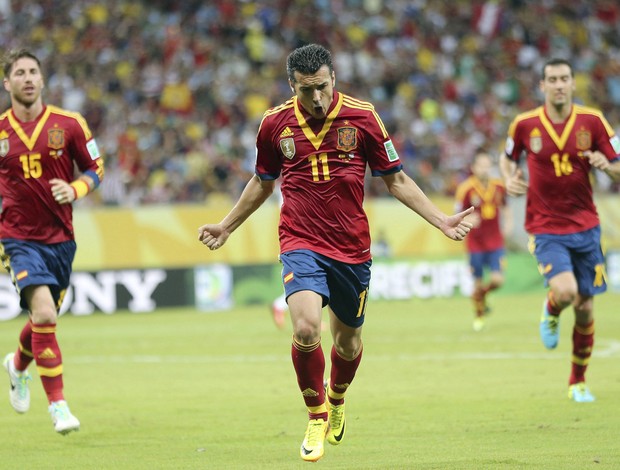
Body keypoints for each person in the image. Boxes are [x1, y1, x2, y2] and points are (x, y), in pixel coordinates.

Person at [198, 43, 473, 462]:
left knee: (347, 344)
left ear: (334, 79)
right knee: (307, 328)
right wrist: (226, 225)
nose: (317, 98)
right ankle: (315, 414)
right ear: (292, 85)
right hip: (299, 241)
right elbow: (262, 181)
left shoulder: (363, 117)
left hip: (352, 248)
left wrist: (441, 220)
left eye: (323, 87)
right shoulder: (274, 125)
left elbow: (395, 180)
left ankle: (337, 395)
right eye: (306, 90)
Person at [500, 57, 620, 403]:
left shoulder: (593, 121)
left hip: (587, 228)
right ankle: (551, 309)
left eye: (564, 78)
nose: (558, 84)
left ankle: (577, 381)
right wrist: (509, 179)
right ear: (542, 86)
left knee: (585, 308)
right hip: (545, 226)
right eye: (551, 79)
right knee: (566, 293)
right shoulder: (524, 124)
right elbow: (507, 157)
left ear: (572, 83)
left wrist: (607, 168)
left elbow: (617, 167)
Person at [0, 49, 104, 434]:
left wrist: (76, 188)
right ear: (7, 83)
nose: (27, 78)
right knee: (44, 314)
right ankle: (58, 406)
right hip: (15, 237)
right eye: (19, 73)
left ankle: (17, 365)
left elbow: (97, 167)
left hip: (61, 239)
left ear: (42, 80)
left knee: (43, 319)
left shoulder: (69, 124)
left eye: (33, 72)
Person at [455, 152, 512, 332]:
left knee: (497, 280)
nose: (485, 169)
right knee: (477, 282)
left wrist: (508, 225)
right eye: (481, 165)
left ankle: (481, 296)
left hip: (495, 241)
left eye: (488, 165)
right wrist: (468, 222)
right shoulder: (465, 189)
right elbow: (456, 215)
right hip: (475, 244)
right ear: (474, 167)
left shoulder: (499, 186)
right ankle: (479, 315)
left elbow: (506, 207)